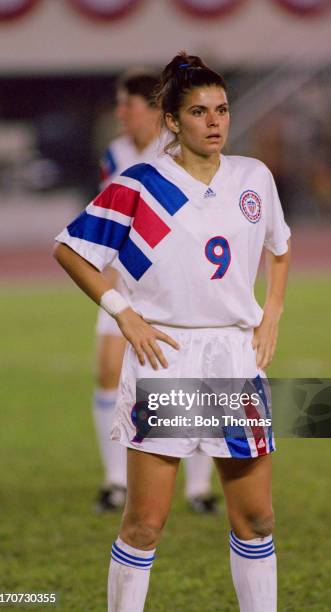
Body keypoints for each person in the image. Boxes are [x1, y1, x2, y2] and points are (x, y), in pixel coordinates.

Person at [54, 52, 290, 612]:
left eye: (222, 109)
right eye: (199, 111)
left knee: (256, 518)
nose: (215, 121)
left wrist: (272, 311)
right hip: (169, 358)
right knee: (145, 525)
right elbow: (70, 248)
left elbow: (280, 248)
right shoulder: (141, 185)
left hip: (233, 358)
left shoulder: (254, 177)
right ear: (172, 121)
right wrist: (122, 311)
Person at [93, 71, 217, 513]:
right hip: (124, 281)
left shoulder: (179, 151)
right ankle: (115, 481)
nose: (120, 114)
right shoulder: (116, 153)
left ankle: (198, 487)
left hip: (173, 285)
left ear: (152, 110)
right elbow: (110, 218)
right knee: (108, 370)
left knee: (194, 380)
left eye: (127, 105)